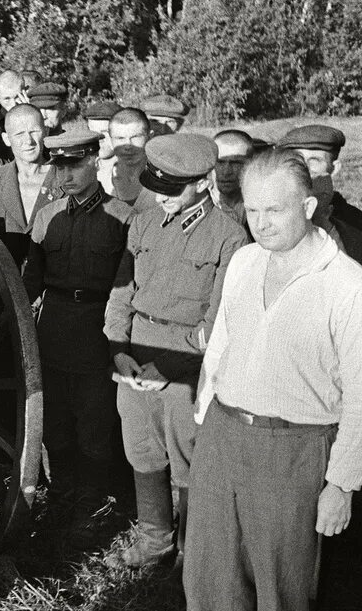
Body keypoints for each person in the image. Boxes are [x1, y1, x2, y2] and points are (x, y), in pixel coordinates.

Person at [186, 150, 362, 611]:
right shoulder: (245, 260)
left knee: (279, 589)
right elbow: (220, 344)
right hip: (222, 439)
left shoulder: (348, 286)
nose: (260, 223)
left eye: (274, 210)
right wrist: (205, 419)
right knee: (208, 581)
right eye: (252, 209)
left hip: (293, 453)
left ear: (306, 207)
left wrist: (341, 484)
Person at [104, 133, 248, 573]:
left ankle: (191, 553)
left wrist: (168, 366)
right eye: (157, 187)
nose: (162, 198)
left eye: (174, 189)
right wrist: (118, 348)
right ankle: (154, 541)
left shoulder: (230, 238)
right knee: (142, 452)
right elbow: (121, 293)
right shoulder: (144, 224)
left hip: (185, 370)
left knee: (188, 461)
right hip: (132, 363)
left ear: (203, 183)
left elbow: (219, 321)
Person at [23, 130, 132, 517]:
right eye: (60, 167)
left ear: (95, 162)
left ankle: (91, 500)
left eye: (75, 165)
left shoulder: (122, 218)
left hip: (96, 329)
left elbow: (129, 288)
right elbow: (29, 282)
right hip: (52, 330)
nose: (65, 175)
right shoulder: (47, 217)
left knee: (94, 422)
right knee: (55, 422)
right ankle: (61, 494)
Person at [0, 104, 63, 263]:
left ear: (46, 132)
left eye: (34, 131)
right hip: (5, 283)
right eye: (19, 134)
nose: (28, 141)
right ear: (6, 139)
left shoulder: (65, 180)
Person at [276, 124, 362, 251]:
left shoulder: (354, 222)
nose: (304, 167)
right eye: (297, 159)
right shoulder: (270, 212)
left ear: (335, 168)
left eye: (314, 160)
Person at [107, 107, 153, 208]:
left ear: (149, 137)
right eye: (120, 138)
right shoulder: (98, 178)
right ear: (110, 141)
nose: (128, 145)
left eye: (136, 137)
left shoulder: (163, 177)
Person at [211, 129, 252, 228]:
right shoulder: (196, 202)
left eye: (236, 163)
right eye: (220, 162)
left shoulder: (260, 202)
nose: (226, 171)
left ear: (250, 164)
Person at [83, 101, 121, 192]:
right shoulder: (82, 169)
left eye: (105, 132)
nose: (99, 138)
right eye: (93, 132)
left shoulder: (135, 170)